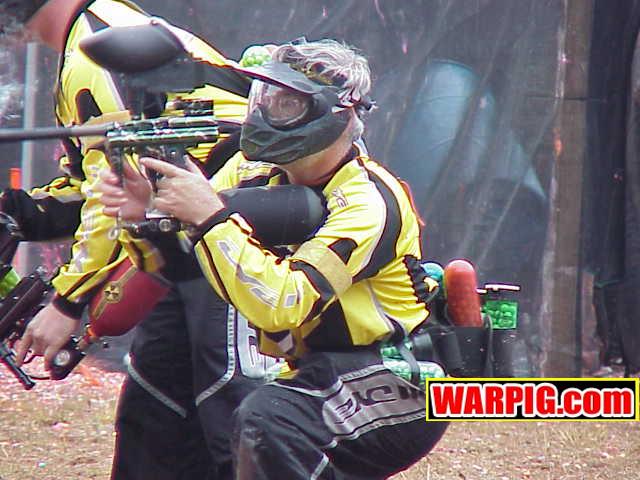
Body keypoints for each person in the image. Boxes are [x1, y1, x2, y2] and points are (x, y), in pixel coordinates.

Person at [101, 38, 449, 479]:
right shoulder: (252, 173)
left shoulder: (368, 202)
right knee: (211, 416)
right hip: (320, 370)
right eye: (264, 97)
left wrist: (209, 217)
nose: (265, 113)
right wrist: (147, 214)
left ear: (335, 114)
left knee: (270, 420)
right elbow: (186, 263)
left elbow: (283, 304)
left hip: (400, 379)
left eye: (286, 104)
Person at [2, 1, 262, 478]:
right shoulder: (95, 33)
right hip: (187, 248)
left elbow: (119, 185)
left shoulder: (96, 47)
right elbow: (101, 186)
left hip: (233, 238)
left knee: (234, 426)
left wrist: (66, 301)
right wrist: (20, 210)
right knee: (154, 423)